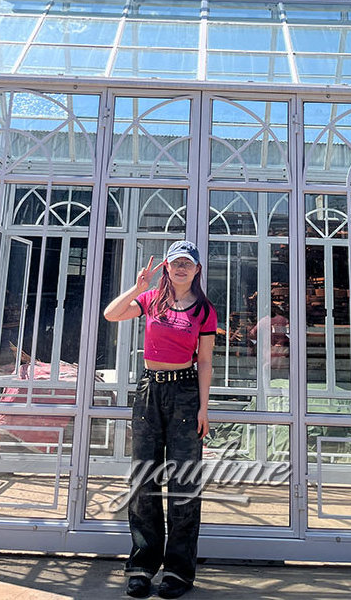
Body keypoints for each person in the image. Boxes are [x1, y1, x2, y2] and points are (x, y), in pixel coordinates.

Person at [103, 240, 217, 599]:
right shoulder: (151, 299)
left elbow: (205, 362)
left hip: (184, 393)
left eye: (188, 263)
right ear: (166, 267)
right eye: (175, 262)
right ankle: (142, 566)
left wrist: (203, 407)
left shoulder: (204, 311)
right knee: (143, 478)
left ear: (197, 270)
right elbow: (111, 314)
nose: (181, 268)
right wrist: (137, 288)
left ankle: (179, 572)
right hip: (150, 389)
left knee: (184, 483)